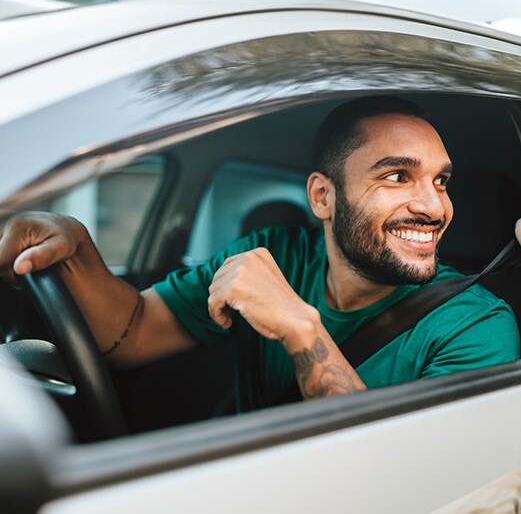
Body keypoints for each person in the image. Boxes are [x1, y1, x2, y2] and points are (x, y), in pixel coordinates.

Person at [0, 97, 518, 412]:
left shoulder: (476, 327)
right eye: (397, 176)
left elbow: (415, 480)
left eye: (441, 180)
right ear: (322, 197)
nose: (433, 206)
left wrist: (302, 328)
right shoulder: (272, 255)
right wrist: (77, 248)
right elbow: (133, 331)